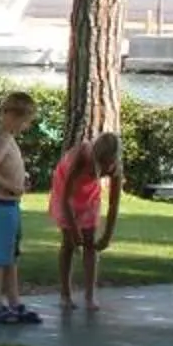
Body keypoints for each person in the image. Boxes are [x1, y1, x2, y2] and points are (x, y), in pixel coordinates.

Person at [0, 92, 40, 326]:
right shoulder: (2, 138)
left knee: (11, 257)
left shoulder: (10, 138)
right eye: (23, 121)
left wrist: (19, 184)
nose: (25, 126)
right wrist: (13, 186)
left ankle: (14, 302)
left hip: (12, 206)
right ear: (10, 116)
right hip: (1, 207)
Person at [48, 129, 122, 312]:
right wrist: (73, 230)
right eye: (100, 166)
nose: (104, 170)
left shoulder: (115, 167)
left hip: (89, 195)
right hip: (66, 193)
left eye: (107, 166)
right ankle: (65, 294)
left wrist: (107, 236)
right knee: (68, 244)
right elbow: (65, 198)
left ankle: (90, 294)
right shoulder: (80, 157)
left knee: (90, 242)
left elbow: (114, 204)